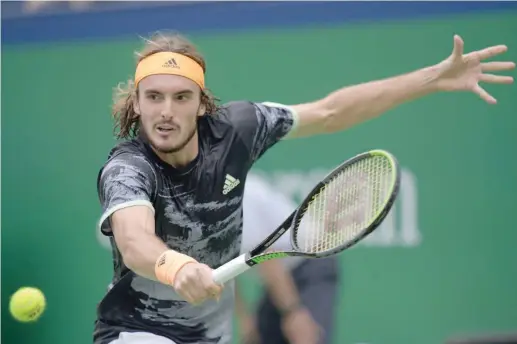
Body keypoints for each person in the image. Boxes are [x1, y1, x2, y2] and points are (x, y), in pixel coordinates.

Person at [94, 31, 514, 344]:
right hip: (135, 333)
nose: (166, 112)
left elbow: (331, 112)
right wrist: (177, 266)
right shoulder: (128, 167)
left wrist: (433, 78)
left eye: (181, 97)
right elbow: (135, 241)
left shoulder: (239, 129)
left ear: (202, 104)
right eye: (154, 97)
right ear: (136, 102)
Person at [235, 173, 339, 344]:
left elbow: (266, 256)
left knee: (307, 337)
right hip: (278, 278)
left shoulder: (238, 194)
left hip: (310, 266)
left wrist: (293, 311)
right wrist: (244, 319)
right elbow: (223, 268)